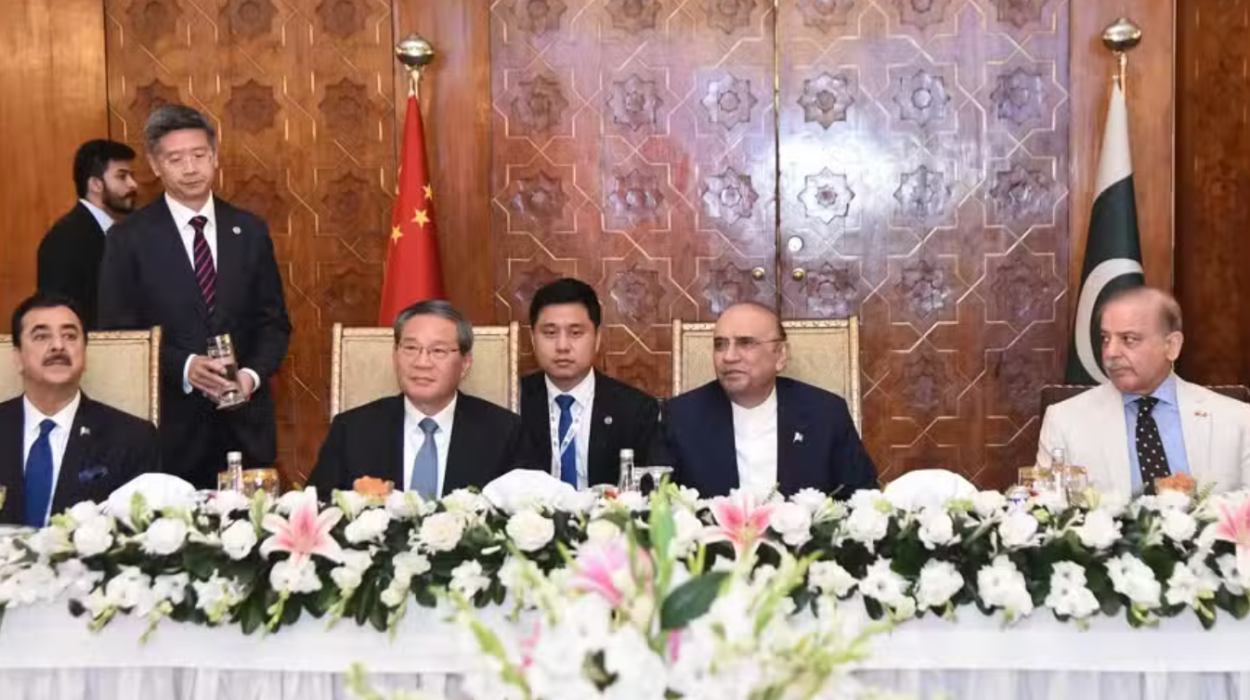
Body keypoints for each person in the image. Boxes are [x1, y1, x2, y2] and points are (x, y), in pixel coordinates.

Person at [97, 105, 291, 489]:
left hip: (244, 431)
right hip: (169, 431)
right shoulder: (128, 239)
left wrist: (249, 377)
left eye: (199, 155)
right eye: (176, 159)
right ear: (156, 166)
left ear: (215, 157)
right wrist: (185, 366)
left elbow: (274, 324)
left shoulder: (249, 230)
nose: (190, 168)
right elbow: (118, 335)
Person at [1039, 286, 1250, 495]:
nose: (1111, 352)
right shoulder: (1064, 421)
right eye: (1105, 338)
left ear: (1171, 346)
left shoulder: (1238, 420)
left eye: (1129, 339)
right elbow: (1047, 509)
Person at [308, 300, 532, 496]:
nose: (422, 362)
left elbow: (524, 513)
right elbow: (319, 510)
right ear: (395, 355)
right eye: (410, 348)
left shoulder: (504, 432)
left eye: (438, 351)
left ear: (465, 364)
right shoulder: (351, 430)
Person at [663, 301, 877, 498]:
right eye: (720, 345)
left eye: (745, 343)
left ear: (780, 355)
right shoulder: (681, 417)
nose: (728, 357)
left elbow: (862, 499)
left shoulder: (826, 413)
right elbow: (659, 505)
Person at [0, 295, 160, 526]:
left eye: (70, 336)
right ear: (18, 358)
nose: (58, 346)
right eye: (41, 336)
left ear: (84, 354)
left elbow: (141, 533)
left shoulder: (132, 438)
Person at [519, 278, 661, 489]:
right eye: (550, 333)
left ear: (597, 338)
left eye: (575, 333)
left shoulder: (636, 410)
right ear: (532, 339)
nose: (562, 346)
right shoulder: (513, 402)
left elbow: (646, 492)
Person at [37, 140, 139, 330]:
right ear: (95, 184)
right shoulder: (65, 239)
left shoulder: (125, 232)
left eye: (132, 176)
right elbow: (59, 315)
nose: (133, 185)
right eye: (122, 176)